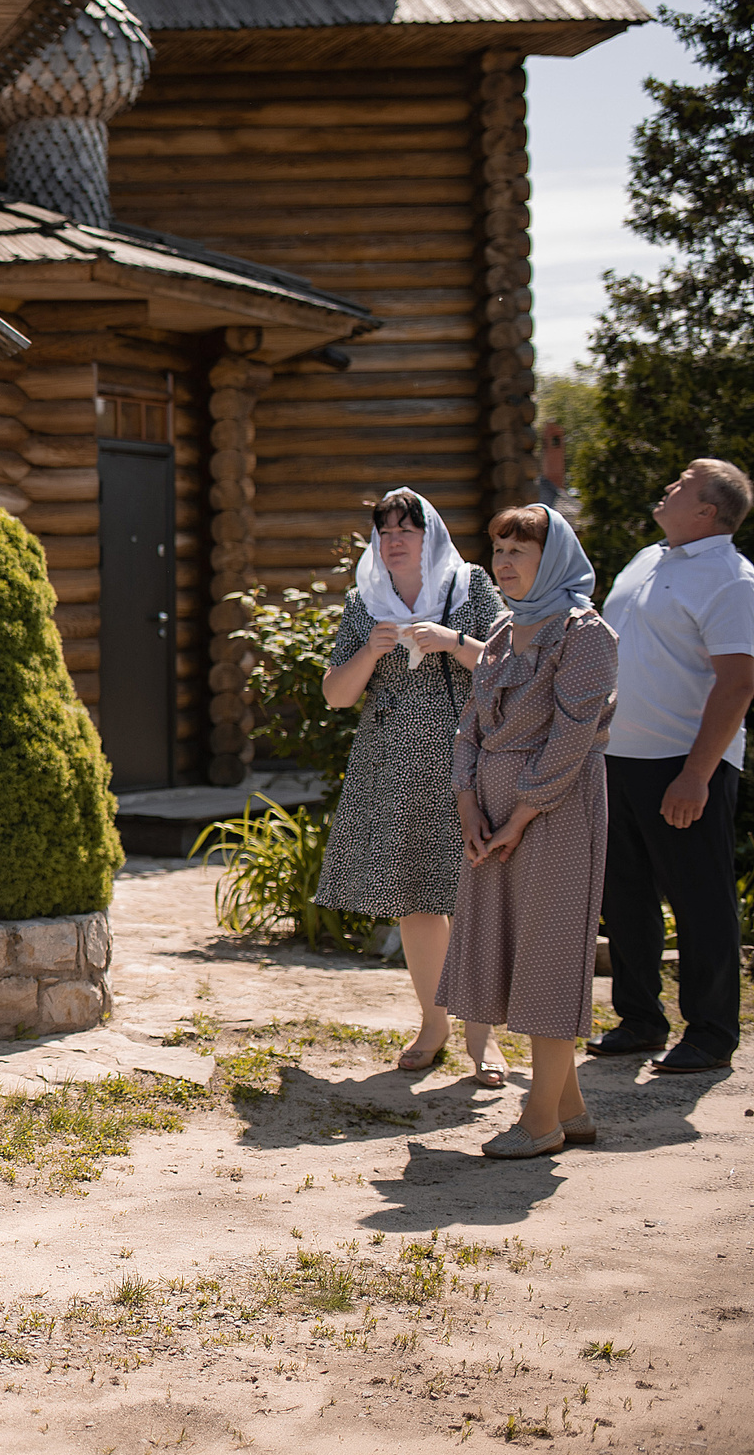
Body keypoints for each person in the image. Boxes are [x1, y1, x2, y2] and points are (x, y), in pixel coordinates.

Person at [440, 504, 619, 1158]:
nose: (504, 562)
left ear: (555, 559)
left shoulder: (585, 634)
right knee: (515, 948)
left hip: (556, 812)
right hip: (492, 815)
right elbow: (470, 726)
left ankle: (540, 1120)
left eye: (519, 551)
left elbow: (572, 736)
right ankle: (569, 1109)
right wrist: (468, 802)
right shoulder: (501, 632)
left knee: (549, 952)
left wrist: (521, 812)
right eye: (499, 550)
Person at [315, 488, 507, 1083]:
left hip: (467, 761)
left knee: (472, 895)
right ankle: (433, 1024)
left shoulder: (470, 587)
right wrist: (369, 654)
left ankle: (483, 1038)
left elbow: (510, 665)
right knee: (418, 898)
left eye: (407, 529)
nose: (394, 541)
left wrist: (453, 642)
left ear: (431, 536)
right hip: (392, 762)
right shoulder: (364, 600)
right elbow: (336, 694)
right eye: (386, 531)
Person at [593, 458, 754, 1075]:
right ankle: (640, 1020)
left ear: (707, 511)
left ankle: (711, 1034)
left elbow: (737, 684)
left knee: (699, 899)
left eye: (682, 484)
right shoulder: (646, 559)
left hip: (683, 766)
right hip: (615, 757)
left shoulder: (732, 580)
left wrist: (696, 775)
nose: (667, 487)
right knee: (625, 896)